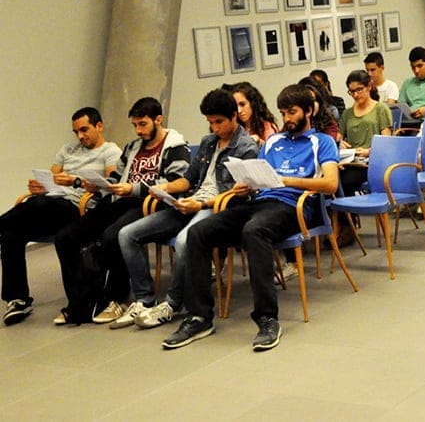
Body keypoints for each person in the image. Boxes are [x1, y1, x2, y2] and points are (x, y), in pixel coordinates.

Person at [166, 84, 341, 351]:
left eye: (292, 112)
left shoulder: (322, 141)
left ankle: (267, 318)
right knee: (198, 232)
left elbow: (330, 183)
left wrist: (284, 181)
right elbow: (258, 172)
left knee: (254, 230)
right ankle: (200, 316)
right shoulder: (273, 141)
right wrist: (246, 183)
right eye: (283, 113)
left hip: (293, 207)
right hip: (260, 202)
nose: (287, 119)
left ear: (308, 111)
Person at [115, 89, 259, 330]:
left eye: (219, 122)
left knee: (184, 240)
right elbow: (189, 180)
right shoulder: (208, 142)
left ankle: (173, 302)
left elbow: (237, 194)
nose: (215, 128)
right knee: (127, 234)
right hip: (189, 201)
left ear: (235, 116)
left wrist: (201, 204)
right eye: (210, 122)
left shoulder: (246, 147)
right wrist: (164, 189)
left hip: (216, 207)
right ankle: (145, 299)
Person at [55, 97, 190, 325]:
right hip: (121, 199)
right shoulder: (132, 146)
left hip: (150, 203)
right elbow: (116, 176)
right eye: (135, 125)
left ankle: (111, 299)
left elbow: (177, 181)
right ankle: (78, 304)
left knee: (110, 237)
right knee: (66, 238)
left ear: (158, 119)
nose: (138, 130)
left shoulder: (175, 146)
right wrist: (99, 184)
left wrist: (134, 188)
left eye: (143, 124)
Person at [1, 107, 121, 326]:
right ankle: (18, 299)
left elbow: (110, 185)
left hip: (78, 207)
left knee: (40, 204)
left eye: (84, 130)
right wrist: (39, 185)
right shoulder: (68, 150)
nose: (80, 136)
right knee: (12, 232)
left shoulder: (110, 151)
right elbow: (51, 176)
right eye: (76, 132)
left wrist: (75, 181)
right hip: (51, 205)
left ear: (99, 126)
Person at [338, 70, 393, 196]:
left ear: (369, 86)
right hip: (351, 161)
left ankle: (348, 214)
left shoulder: (380, 109)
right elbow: (338, 138)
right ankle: (348, 214)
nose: (356, 95)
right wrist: (340, 144)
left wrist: (369, 151)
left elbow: (386, 141)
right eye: (352, 92)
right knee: (334, 177)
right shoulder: (347, 114)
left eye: (359, 90)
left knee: (343, 180)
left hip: (372, 161)